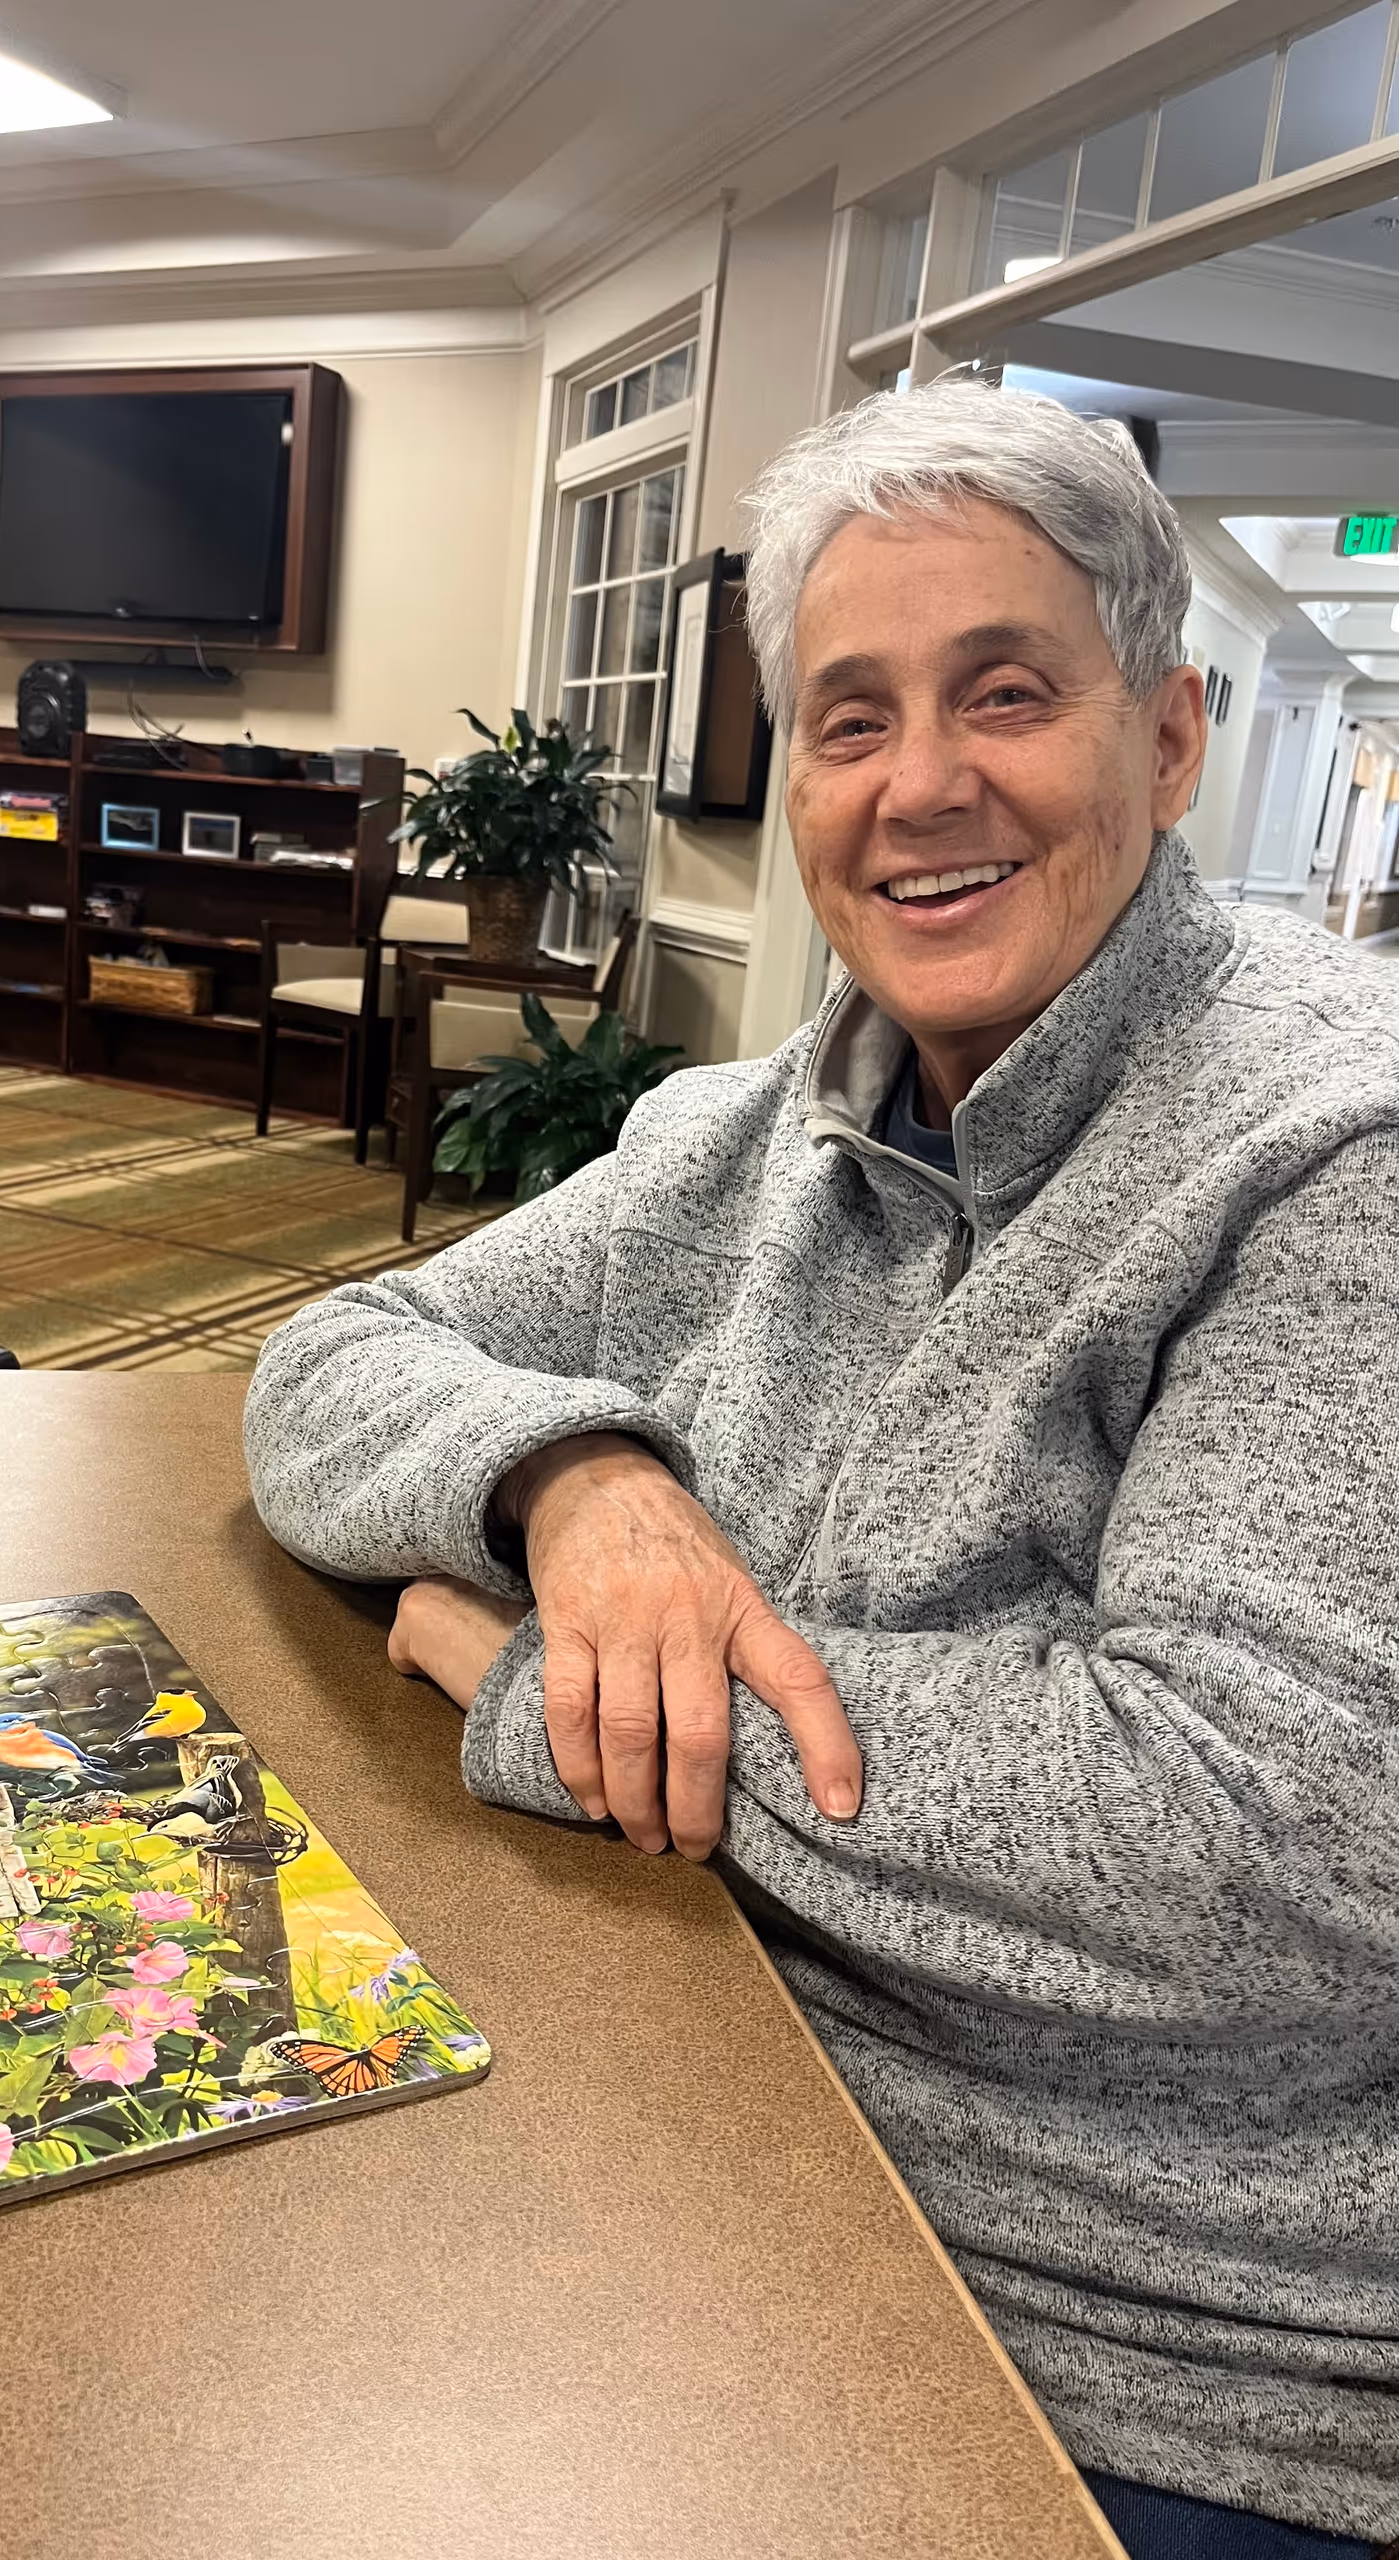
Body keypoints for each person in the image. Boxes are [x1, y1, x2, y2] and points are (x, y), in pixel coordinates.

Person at [243, 378, 1399, 2560]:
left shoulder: (1341, 1149)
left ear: (1167, 740)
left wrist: (536, 1681)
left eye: (1006, 692)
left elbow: (1250, 1830)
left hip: (1145, 2339)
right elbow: (331, 1351)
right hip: (705, 2091)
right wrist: (578, 1478)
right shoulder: (770, 1123)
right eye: (849, 718)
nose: (920, 784)